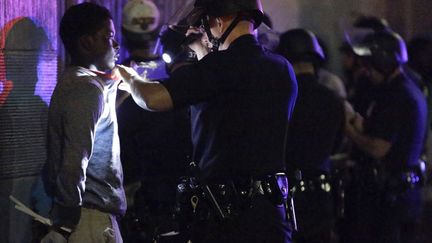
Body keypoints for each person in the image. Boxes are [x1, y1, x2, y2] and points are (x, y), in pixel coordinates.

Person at [115, 0, 298, 242]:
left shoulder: (219, 68)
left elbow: (153, 99)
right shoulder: (282, 67)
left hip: (228, 221)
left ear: (220, 22)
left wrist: (129, 77)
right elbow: (227, 102)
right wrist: (203, 51)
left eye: (207, 24)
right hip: (271, 216)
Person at [41, 3, 125, 242]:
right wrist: (67, 222)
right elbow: (74, 161)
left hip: (89, 218)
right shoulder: (86, 90)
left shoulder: (79, 83)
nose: (116, 45)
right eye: (108, 37)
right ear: (87, 43)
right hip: (88, 219)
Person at [117, 0, 192, 242]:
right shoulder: (177, 73)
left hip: (131, 188)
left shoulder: (118, 76)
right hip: (172, 187)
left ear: (125, 33)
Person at [344, 30, 427, 243]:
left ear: (383, 61)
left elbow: (379, 148)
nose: (365, 70)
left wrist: (349, 130)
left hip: (391, 199)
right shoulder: (405, 88)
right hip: (402, 195)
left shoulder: (397, 95)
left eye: (369, 64)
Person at [277, 29, 345, 243]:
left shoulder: (282, 98)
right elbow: (336, 147)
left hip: (289, 199)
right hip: (323, 198)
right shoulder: (332, 99)